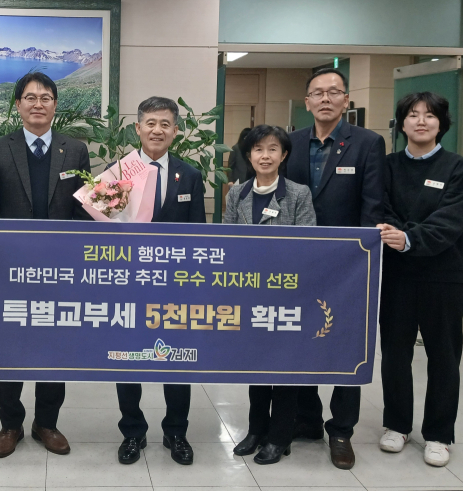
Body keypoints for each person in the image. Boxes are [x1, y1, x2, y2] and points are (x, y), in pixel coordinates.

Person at [0, 71, 90, 458]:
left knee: (54, 346)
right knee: (9, 346)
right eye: (30, 97)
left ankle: (46, 423)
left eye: (45, 98)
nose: (38, 104)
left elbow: (83, 211)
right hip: (12, 269)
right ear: (18, 105)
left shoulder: (75, 150)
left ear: (55, 105)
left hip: (61, 270)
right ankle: (10, 424)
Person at [286, 67, 385, 470]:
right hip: (297, 262)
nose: (325, 99)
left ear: (346, 100)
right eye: (318, 93)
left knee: (346, 344)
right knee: (301, 336)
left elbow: (373, 205)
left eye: (334, 92)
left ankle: (341, 430)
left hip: (348, 265)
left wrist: (361, 257)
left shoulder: (367, 143)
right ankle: (307, 418)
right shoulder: (291, 142)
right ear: (307, 101)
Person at [377, 92, 463, 467]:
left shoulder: (458, 168)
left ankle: (439, 433)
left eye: (430, 115)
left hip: (443, 275)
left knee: (444, 356)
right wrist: (397, 237)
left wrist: (408, 238)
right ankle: (397, 425)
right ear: (402, 123)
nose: (421, 121)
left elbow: (449, 221)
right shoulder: (387, 166)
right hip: (397, 275)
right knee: (395, 353)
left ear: (441, 123)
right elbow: (381, 208)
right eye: (413, 114)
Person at [116, 96, 205, 466]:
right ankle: (132, 432)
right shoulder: (118, 172)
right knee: (126, 358)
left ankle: (176, 432)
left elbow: (198, 234)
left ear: (175, 131)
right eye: (150, 123)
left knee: (178, 359)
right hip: (128, 282)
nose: (157, 130)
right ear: (137, 128)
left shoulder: (191, 175)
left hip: (175, 285)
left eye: (165, 124)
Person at [224, 124, 316, 464]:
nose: (265, 155)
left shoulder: (299, 193)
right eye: (258, 149)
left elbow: (307, 243)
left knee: (285, 366)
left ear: (284, 155)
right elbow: (228, 243)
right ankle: (256, 429)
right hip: (250, 295)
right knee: (257, 365)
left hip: (287, 295)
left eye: (273, 149)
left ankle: (279, 436)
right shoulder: (237, 194)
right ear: (249, 155)